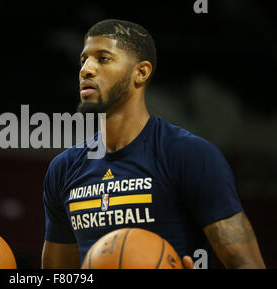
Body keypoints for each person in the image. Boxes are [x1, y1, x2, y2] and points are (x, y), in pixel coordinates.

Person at [41, 19, 266, 269]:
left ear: (141, 72)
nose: (86, 69)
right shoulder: (63, 168)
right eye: (83, 60)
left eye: (103, 58)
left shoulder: (190, 154)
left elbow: (248, 264)